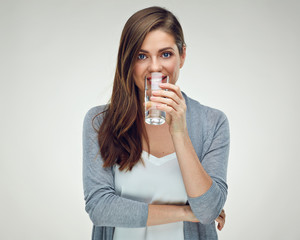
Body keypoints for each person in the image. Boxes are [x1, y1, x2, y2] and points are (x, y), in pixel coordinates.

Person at [82, 6, 229, 240]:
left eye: (166, 54)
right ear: (128, 62)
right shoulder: (100, 122)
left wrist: (179, 132)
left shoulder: (212, 122)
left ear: (182, 56)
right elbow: (100, 208)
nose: (154, 67)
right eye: (142, 56)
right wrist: (185, 212)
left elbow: (208, 210)